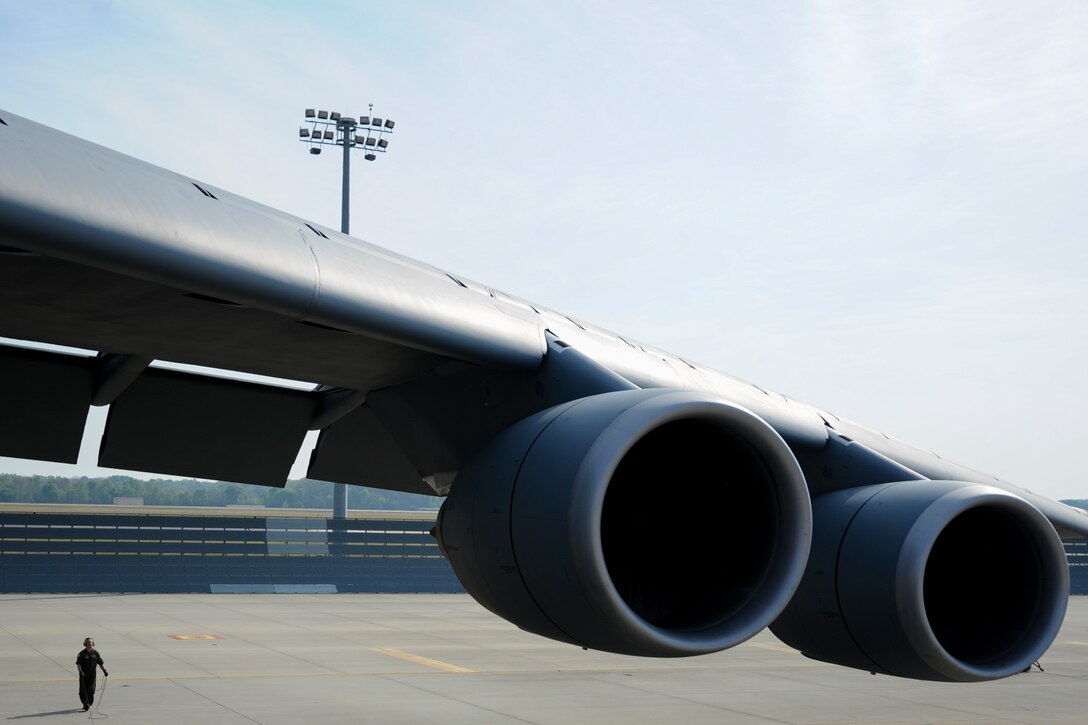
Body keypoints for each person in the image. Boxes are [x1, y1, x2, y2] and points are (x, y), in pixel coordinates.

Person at [76, 637, 108, 711]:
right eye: (88, 643)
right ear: (85, 644)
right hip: (84, 675)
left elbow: (100, 662)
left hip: (92, 674)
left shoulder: (95, 653)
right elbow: (79, 664)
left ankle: (88, 703)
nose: (90, 644)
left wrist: (104, 670)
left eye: (91, 643)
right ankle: (84, 703)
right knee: (83, 690)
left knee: (91, 690)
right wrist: (80, 672)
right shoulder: (82, 654)